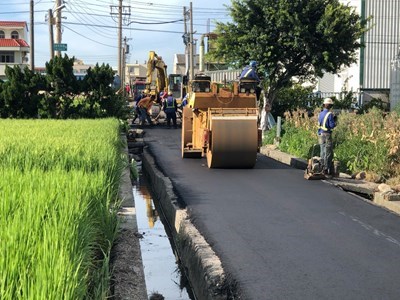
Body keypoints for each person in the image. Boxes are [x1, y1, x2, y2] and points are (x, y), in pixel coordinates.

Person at [318, 97, 336, 177]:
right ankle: (326, 169)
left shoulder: (320, 114)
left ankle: (321, 167)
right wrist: (335, 121)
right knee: (328, 152)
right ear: (329, 106)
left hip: (320, 133)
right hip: (327, 134)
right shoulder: (329, 114)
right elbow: (332, 126)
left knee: (322, 151)